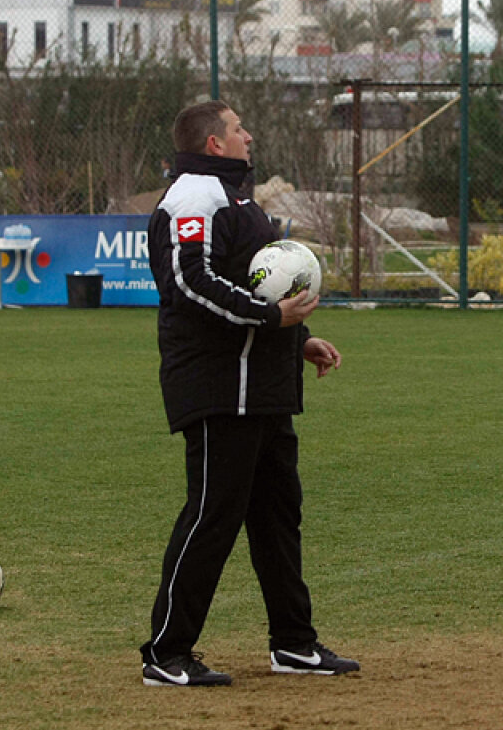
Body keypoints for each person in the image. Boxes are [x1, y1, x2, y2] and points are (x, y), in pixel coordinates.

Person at [141, 99, 359, 686]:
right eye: (239, 129)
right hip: (219, 386)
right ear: (215, 143)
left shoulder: (236, 198)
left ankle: (294, 643)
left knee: (276, 516)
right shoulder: (193, 196)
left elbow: (255, 281)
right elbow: (190, 281)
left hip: (260, 385)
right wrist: (271, 321)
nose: (249, 134)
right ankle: (166, 654)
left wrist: (299, 337)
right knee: (212, 515)